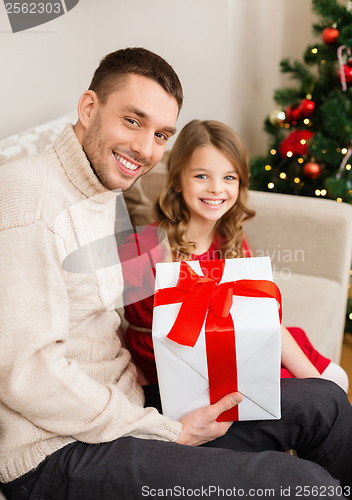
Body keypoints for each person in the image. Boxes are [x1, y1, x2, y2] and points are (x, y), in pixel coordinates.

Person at [0, 47, 351, 500]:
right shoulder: (30, 200)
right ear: (89, 108)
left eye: (161, 134)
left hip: (126, 408)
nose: (146, 150)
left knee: (325, 402)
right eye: (133, 121)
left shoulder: (101, 184)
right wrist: (166, 431)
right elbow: (27, 374)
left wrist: (159, 412)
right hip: (57, 449)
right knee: (304, 487)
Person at [120, 119, 349, 392]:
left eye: (229, 177)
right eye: (202, 176)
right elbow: (120, 326)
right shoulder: (144, 247)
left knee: (335, 378)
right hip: (190, 371)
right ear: (178, 181)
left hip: (239, 346)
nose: (217, 188)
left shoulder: (229, 242)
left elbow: (261, 320)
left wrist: (315, 384)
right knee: (312, 393)